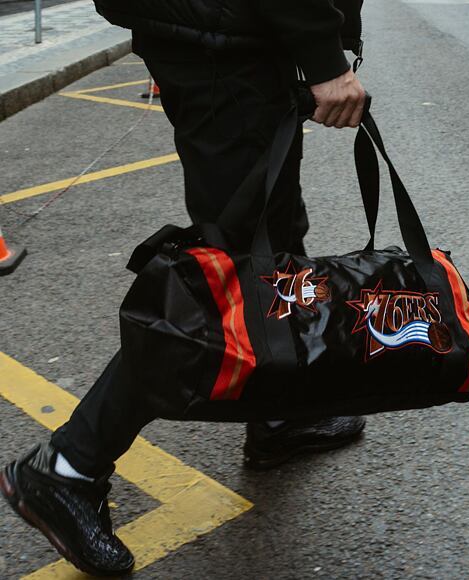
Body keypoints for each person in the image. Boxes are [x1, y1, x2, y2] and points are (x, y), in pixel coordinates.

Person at [0, 0, 368, 576]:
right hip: (226, 41)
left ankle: (277, 413)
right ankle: (66, 468)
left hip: (224, 35)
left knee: (271, 244)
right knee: (231, 276)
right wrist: (323, 56)